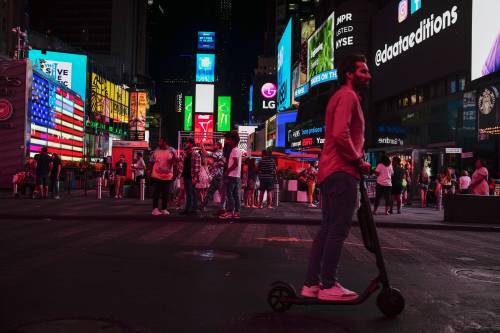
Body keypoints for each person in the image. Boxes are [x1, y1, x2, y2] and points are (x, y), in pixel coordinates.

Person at [302, 54, 372, 301]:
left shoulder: (341, 97)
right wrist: (357, 159)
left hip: (333, 171)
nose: (368, 75)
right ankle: (328, 285)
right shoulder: (347, 96)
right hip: (342, 172)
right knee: (337, 230)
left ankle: (312, 284)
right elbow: (341, 134)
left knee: (328, 228)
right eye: (363, 71)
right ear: (349, 74)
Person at [149, 138, 177, 216]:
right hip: (156, 175)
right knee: (156, 193)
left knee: (166, 194)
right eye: (159, 141)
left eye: (160, 142)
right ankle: (155, 209)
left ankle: (164, 209)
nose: (159, 143)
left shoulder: (172, 150)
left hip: (167, 176)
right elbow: (151, 161)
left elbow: (176, 162)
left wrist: (175, 174)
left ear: (165, 142)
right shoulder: (156, 150)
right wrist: (149, 171)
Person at [219, 131, 243, 219]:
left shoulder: (234, 150)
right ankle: (236, 212)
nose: (227, 142)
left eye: (228, 140)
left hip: (232, 175)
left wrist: (227, 171)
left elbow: (235, 164)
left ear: (233, 140)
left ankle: (230, 212)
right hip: (236, 176)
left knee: (230, 194)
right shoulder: (238, 150)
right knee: (235, 195)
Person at [200, 141, 225, 211]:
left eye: (215, 145)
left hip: (218, 176)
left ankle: (225, 208)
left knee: (213, 192)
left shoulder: (219, 153)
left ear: (218, 146)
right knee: (216, 192)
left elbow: (208, 155)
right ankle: (224, 208)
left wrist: (202, 146)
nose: (213, 146)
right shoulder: (220, 153)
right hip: (218, 176)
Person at [179, 138, 201, 215]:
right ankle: (188, 209)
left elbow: (197, 167)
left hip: (191, 176)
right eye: (186, 143)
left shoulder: (196, 154)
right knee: (187, 193)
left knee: (192, 193)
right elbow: (182, 165)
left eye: (187, 143)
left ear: (191, 144)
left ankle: (194, 209)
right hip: (185, 175)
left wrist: (195, 177)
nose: (186, 144)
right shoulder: (185, 154)